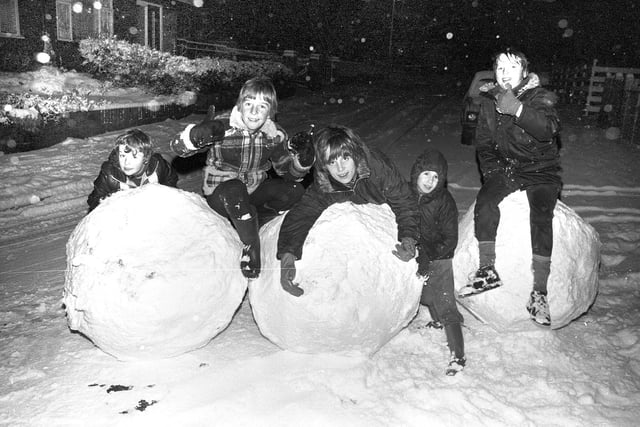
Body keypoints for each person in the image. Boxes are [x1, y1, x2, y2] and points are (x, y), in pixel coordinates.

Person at [170, 77, 314, 279]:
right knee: (234, 188)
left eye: (262, 106)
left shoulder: (274, 135)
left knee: (293, 191)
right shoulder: (221, 128)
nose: (254, 112)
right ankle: (250, 245)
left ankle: (257, 223)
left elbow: (286, 171)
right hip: (222, 196)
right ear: (239, 106)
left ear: (270, 111)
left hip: (252, 193)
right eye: (249, 104)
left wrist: (302, 163)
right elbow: (178, 147)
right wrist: (194, 137)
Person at [458, 48, 562, 327]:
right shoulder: (488, 101)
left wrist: (517, 108)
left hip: (541, 169)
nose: (504, 74)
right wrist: (492, 172)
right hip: (508, 169)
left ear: (524, 73)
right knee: (485, 203)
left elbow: (547, 129)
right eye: (500, 69)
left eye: (511, 68)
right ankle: (487, 270)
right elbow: (484, 142)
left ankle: (539, 292)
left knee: (541, 216)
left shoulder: (540, 97)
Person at [277, 125, 420, 297]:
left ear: (355, 154)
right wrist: (287, 256)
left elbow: (404, 201)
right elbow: (301, 214)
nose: (340, 168)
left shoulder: (377, 168)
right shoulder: (326, 184)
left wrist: (409, 237)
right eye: (332, 162)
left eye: (345, 158)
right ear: (324, 166)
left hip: (385, 214)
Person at [411, 148, 465, 375]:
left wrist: (430, 257)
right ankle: (438, 321)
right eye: (426, 175)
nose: (430, 181)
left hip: (440, 256)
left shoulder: (444, 202)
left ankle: (458, 355)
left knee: (444, 303)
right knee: (424, 295)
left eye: (435, 177)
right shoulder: (407, 194)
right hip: (418, 254)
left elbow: (450, 238)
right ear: (416, 174)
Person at [87, 129, 178, 212]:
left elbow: (171, 182)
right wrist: (114, 199)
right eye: (122, 156)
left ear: (145, 158)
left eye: (134, 157)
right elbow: (94, 201)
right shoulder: (110, 174)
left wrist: (161, 199)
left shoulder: (158, 166)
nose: (126, 162)